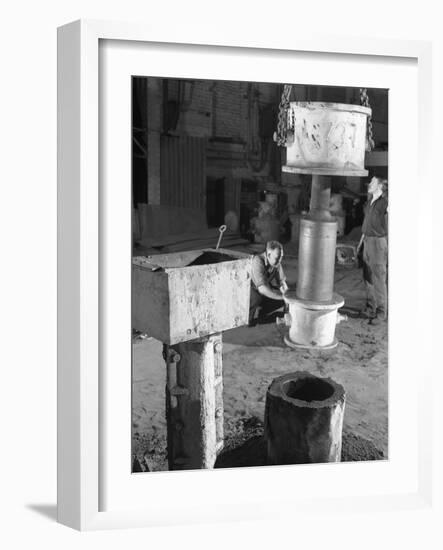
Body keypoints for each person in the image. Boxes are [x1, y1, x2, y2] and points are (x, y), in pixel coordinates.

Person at [356, 176, 388, 325]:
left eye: (373, 182)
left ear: (380, 186)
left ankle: (381, 314)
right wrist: (361, 242)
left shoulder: (385, 203)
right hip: (368, 241)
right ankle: (370, 307)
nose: (369, 184)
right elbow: (366, 224)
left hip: (378, 243)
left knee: (379, 279)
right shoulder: (369, 203)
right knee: (368, 277)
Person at [249, 240, 288, 326]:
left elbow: (282, 283)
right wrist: (282, 298)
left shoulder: (277, 263)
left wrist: (287, 297)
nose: (280, 260)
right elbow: (262, 289)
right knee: (256, 298)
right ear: (269, 254)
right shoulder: (257, 261)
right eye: (277, 257)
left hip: (263, 288)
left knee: (283, 297)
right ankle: (248, 319)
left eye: (281, 257)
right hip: (250, 290)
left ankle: (262, 313)